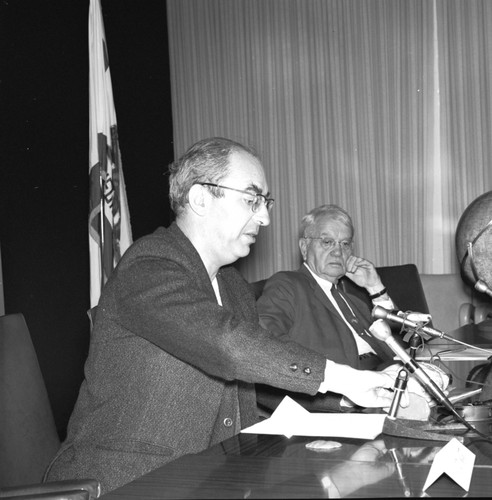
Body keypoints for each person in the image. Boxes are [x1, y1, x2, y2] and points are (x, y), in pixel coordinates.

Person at [44, 138, 399, 494]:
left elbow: (259, 376)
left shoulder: (233, 286)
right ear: (200, 198)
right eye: (251, 199)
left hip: (211, 477)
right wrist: (343, 378)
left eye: (265, 202)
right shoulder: (148, 264)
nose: (264, 217)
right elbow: (227, 345)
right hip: (126, 482)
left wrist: (355, 398)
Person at [255, 204, 401, 413]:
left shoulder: (354, 300)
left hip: (389, 388)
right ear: (304, 247)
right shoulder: (287, 285)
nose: (338, 251)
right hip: (345, 404)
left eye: (345, 244)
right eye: (327, 242)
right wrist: (341, 399)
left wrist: (375, 288)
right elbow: (266, 346)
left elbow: (398, 345)